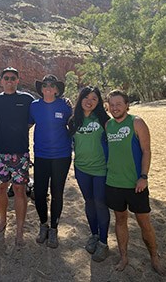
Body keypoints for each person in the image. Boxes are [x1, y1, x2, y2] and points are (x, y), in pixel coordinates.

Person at [105, 89, 166, 275]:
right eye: (111, 105)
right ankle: (124, 257)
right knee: (120, 220)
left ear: (127, 105)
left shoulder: (137, 122)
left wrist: (144, 176)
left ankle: (154, 257)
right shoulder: (108, 125)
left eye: (118, 104)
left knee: (144, 223)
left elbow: (146, 151)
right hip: (114, 183)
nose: (115, 108)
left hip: (136, 185)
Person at [0, 67, 34, 246]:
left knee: (20, 190)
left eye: (12, 78)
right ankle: (3, 220)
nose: (9, 80)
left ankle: (20, 229)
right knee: (0, 190)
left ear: (17, 80)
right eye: (6, 78)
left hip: (20, 153)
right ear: (1, 81)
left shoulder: (27, 99)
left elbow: (32, 120)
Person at [28, 74, 73, 248]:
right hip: (41, 156)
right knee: (39, 194)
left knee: (57, 194)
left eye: (51, 85)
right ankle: (43, 224)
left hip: (61, 156)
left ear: (56, 89)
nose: (47, 87)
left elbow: (75, 123)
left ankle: (54, 228)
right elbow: (26, 125)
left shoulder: (65, 106)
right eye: (44, 85)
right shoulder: (34, 106)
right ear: (41, 88)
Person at [69, 86, 110, 261]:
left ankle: (103, 242)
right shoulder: (73, 120)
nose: (90, 101)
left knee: (100, 203)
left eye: (94, 98)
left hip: (101, 169)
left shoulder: (104, 120)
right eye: (86, 97)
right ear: (81, 99)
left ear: (99, 102)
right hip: (81, 168)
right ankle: (94, 234)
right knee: (89, 201)